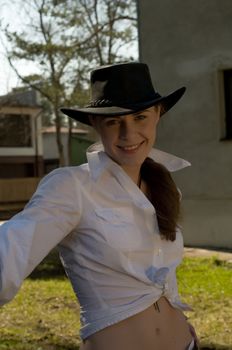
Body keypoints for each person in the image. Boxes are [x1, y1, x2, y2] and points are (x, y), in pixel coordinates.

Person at [0, 62, 199, 350]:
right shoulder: (72, 187)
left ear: (158, 114)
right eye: (114, 121)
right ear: (96, 124)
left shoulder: (165, 187)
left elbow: (161, 273)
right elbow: (12, 249)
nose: (128, 134)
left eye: (140, 117)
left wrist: (178, 322)